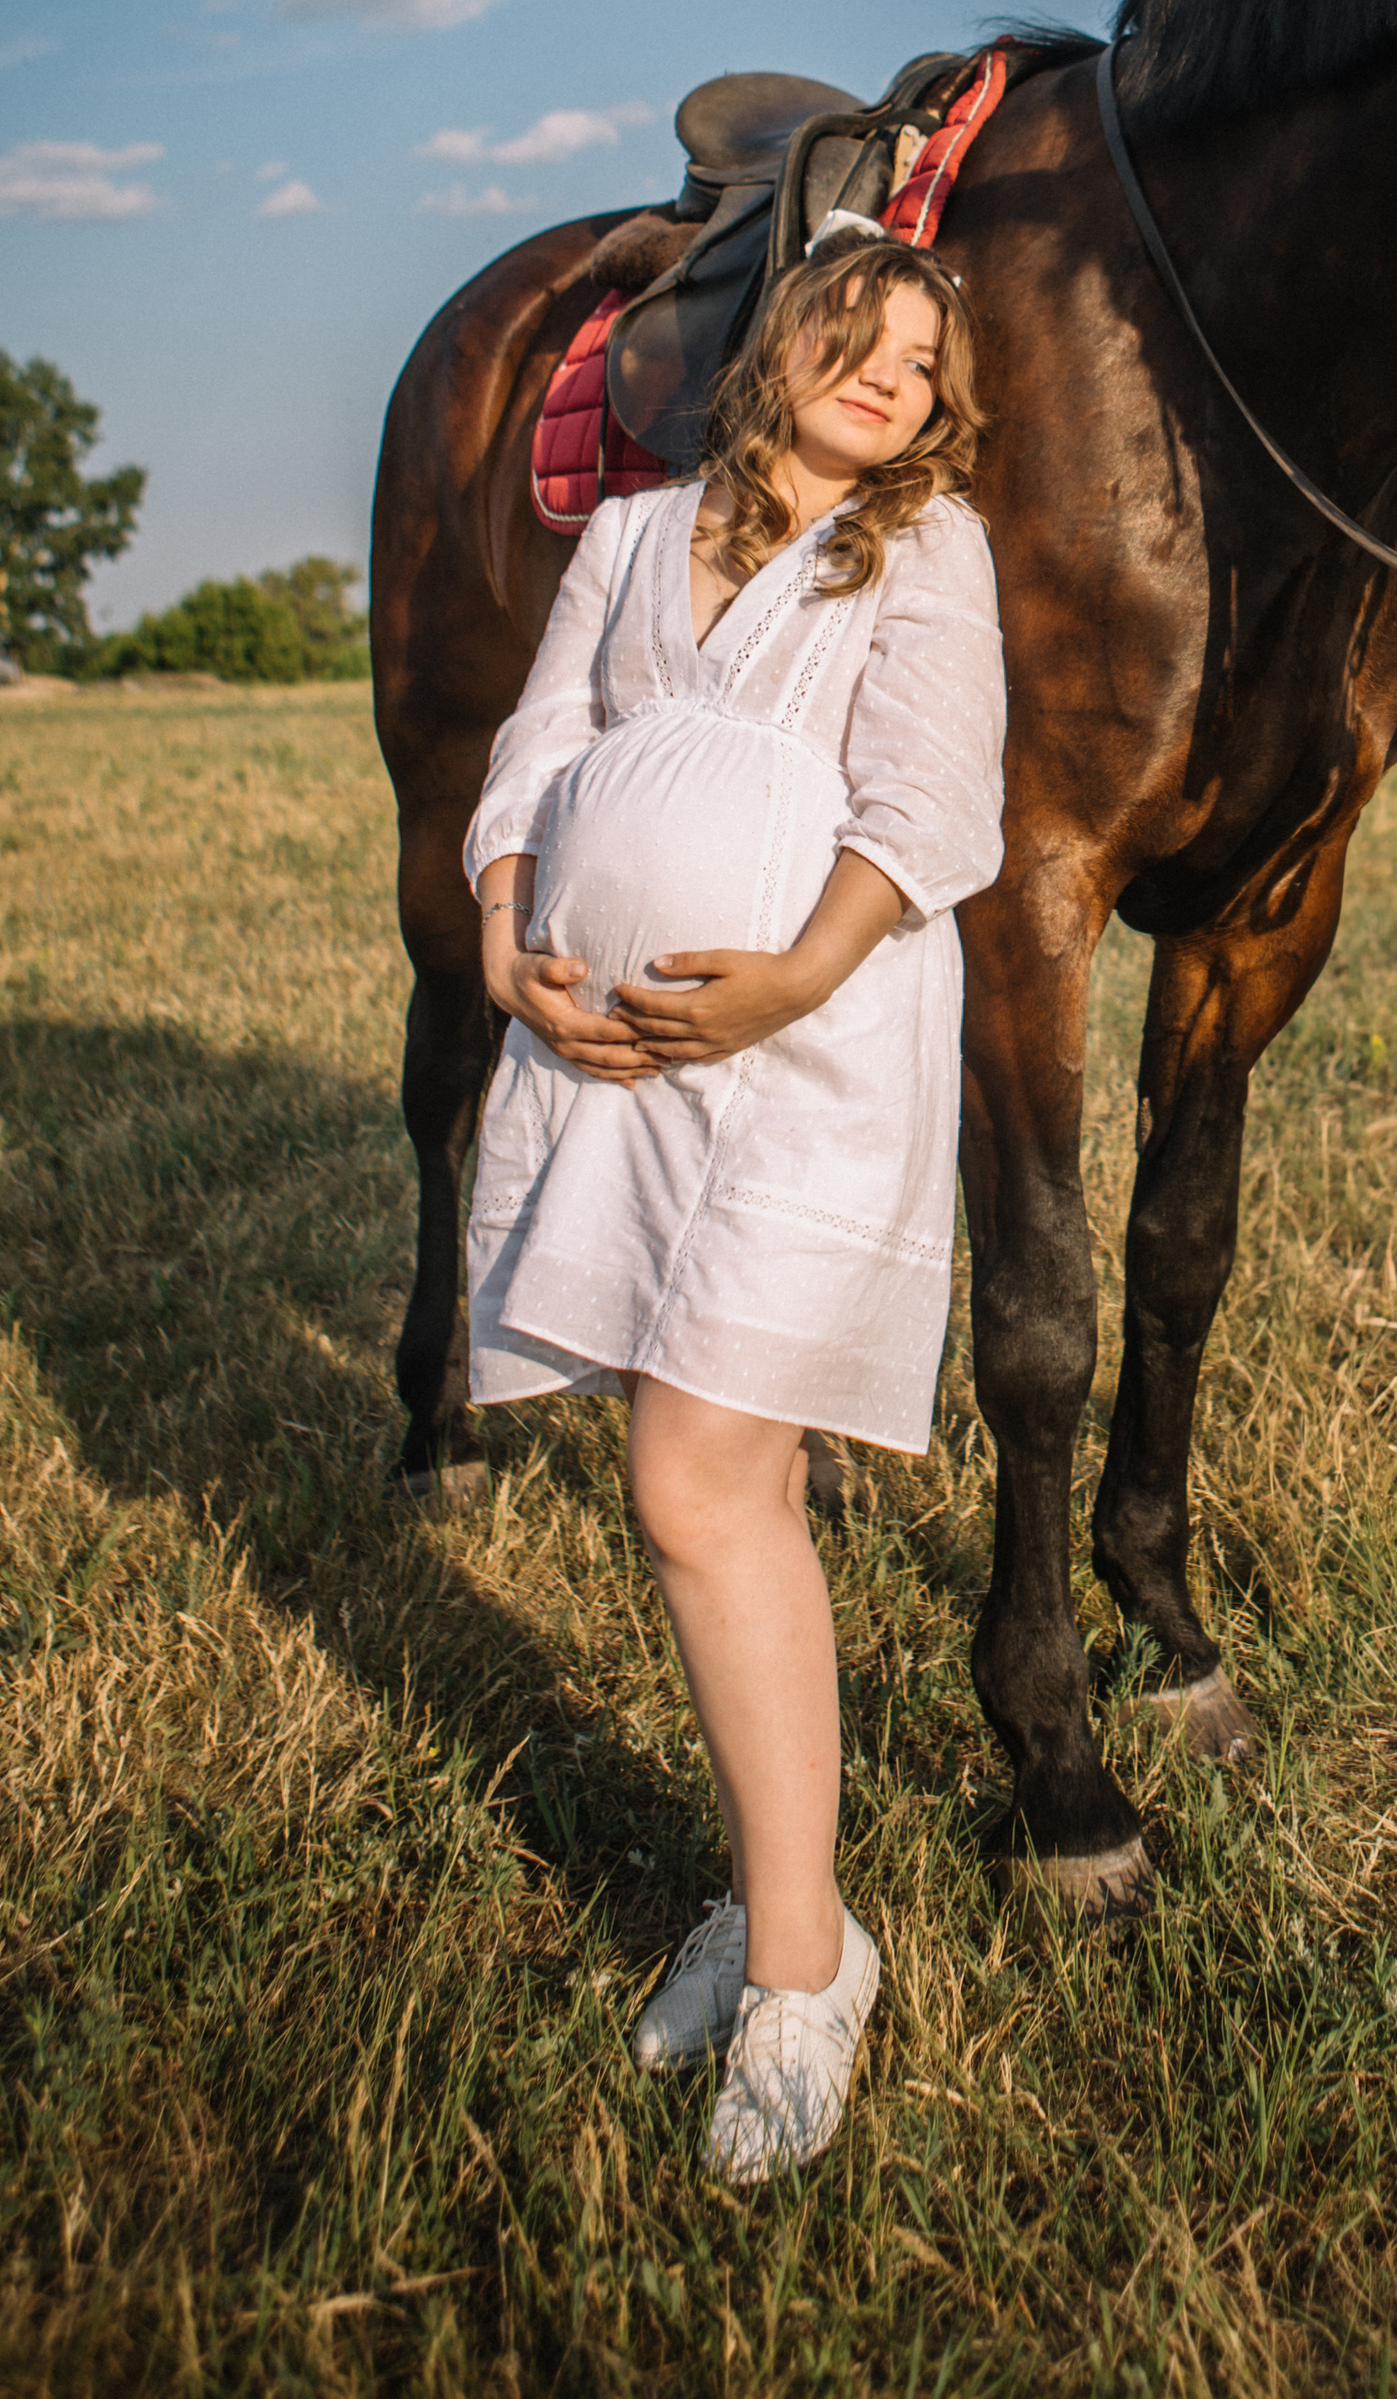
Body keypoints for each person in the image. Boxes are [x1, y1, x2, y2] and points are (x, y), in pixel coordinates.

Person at [460, 223, 1004, 2182]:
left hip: (807, 1061)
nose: (895, 375)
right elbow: (542, 748)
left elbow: (929, 808)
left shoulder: (920, 551)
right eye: (866, 334)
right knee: (706, 1491)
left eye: (929, 362)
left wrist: (787, 973)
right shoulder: (625, 540)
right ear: (790, 341)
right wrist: (519, 940)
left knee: (695, 1482)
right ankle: (781, 1909)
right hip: (610, 1077)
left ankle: (801, 1970)